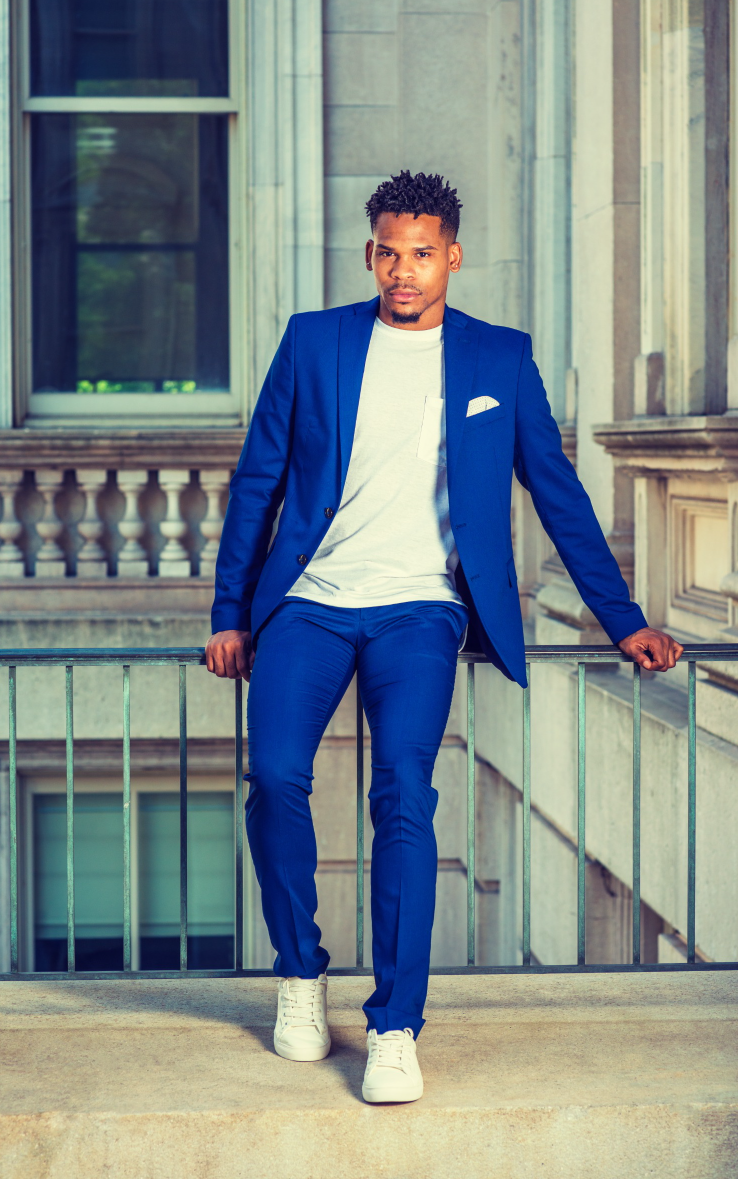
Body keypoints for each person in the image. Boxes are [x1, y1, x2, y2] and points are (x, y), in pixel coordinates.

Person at [206, 170, 683, 1104]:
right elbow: (257, 482)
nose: (403, 271)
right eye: (388, 251)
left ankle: (393, 1026)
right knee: (273, 779)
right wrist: (230, 612)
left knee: (404, 799)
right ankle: (301, 975)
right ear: (371, 252)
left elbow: (558, 492)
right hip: (308, 601)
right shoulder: (315, 342)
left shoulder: (498, 361)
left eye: (422, 253)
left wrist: (621, 618)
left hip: (422, 609)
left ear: (452, 256)